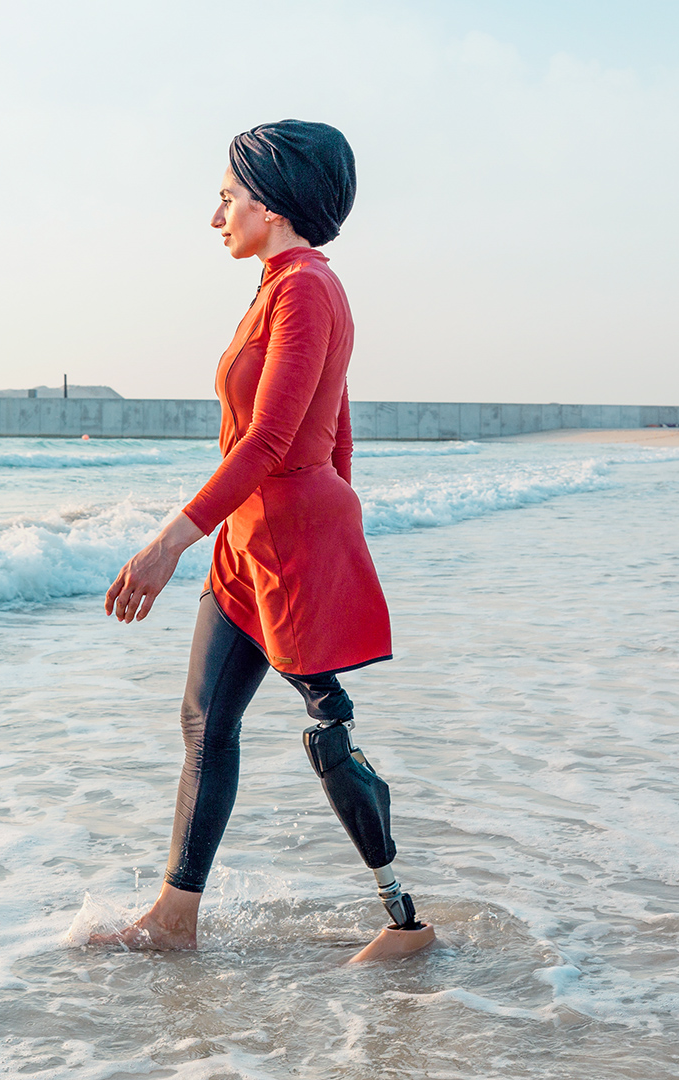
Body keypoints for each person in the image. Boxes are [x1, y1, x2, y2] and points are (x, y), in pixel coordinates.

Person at [93, 120, 435, 962]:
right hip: (252, 545)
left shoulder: (307, 289)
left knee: (328, 727)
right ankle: (175, 918)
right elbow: (340, 429)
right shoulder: (280, 285)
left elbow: (274, 441)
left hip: (290, 549)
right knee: (205, 721)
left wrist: (171, 540)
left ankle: (405, 923)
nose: (216, 218)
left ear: (271, 202)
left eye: (226, 198)